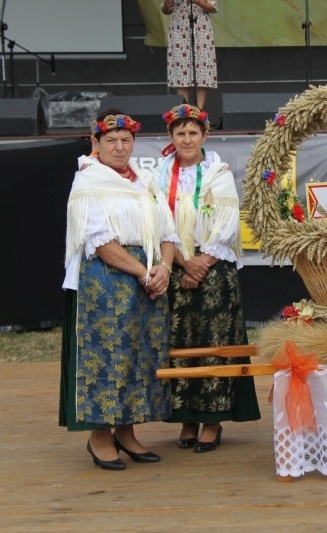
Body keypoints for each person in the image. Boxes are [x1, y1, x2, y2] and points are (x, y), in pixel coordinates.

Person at [59, 110, 178, 470]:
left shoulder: (145, 181)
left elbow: (167, 232)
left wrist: (165, 268)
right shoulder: (89, 182)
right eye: (111, 140)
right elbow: (101, 243)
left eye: (126, 140)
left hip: (146, 275)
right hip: (107, 281)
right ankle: (99, 437)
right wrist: (144, 272)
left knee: (139, 357)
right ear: (95, 143)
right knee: (108, 356)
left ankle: (126, 432)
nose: (119, 146)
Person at [158, 104, 260, 453]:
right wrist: (185, 264)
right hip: (175, 265)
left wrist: (202, 262)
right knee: (181, 343)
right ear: (171, 137)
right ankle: (187, 416)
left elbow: (228, 221)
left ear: (204, 135)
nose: (187, 139)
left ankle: (213, 420)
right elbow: (159, 222)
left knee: (214, 341)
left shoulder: (219, 172)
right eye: (180, 133)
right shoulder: (160, 174)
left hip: (214, 268)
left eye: (193, 133)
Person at [161, 0, 218, 110]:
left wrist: (197, 1)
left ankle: (199, 111)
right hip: (179, 29)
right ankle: (184, 111)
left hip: (200, 28)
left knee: (202, 70)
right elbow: (166, 10)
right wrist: (166, 6)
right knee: (181, 72)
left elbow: (213, 7)